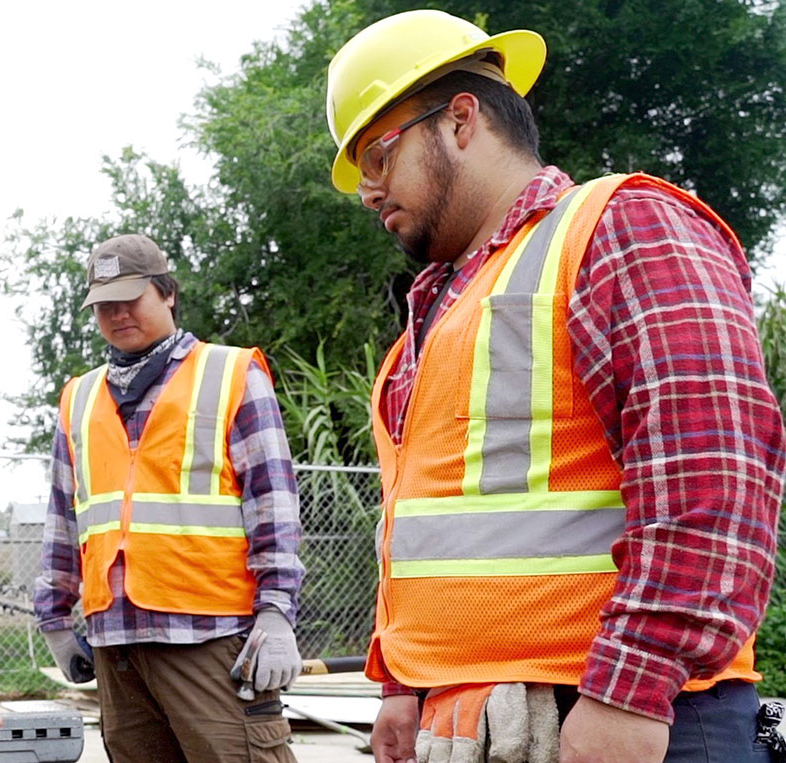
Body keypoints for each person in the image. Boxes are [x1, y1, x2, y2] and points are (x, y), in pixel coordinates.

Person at [324, 11, 784, 763]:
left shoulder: (620, 225)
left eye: (377, 156)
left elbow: (715, 472)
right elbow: (425, 533)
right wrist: (401, 685)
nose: (369, 191)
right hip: (480, 720)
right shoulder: (431, 325)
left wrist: (626, 696)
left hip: (624, 718)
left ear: (461, 119)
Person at [34, 233, 306, 763]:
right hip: (115, 645)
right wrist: (54, 621)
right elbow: (64, 519)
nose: (117, 314)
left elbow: (272, 503)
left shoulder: (230, 374)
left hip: (209, 639)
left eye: (130, 300)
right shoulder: (79, 398)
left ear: (168, 294)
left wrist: (276, 613)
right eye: (104, 305)